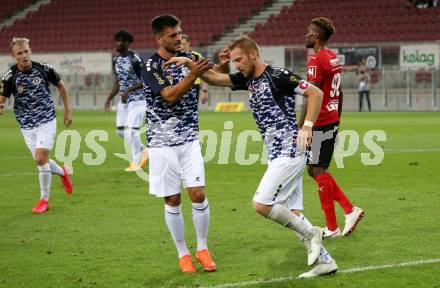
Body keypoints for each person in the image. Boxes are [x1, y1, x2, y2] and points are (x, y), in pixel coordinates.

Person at [165, 35, 338, 278]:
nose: (236, 65)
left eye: (239, 59)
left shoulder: (278, 75)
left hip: (289, 150)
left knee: (262, 204)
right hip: (277, 152)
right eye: (234, 61)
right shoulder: (248, 80)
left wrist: (308, 126)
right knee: (294, 213)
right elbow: (214, 78)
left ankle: (313, 234)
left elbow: (316, 93)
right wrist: (190, 61)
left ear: (253, 55)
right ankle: (326, 261)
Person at [140, 14, 216, 273]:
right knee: (172, 199)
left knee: (198, 193)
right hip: (161, 143)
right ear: (159, 38)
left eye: (180, 33)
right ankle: (183, 253)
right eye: (173, 35)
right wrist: (192, 74)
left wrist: (224, 66)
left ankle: (203, 248)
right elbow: (169, 95)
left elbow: (215, 76)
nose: (179, 38)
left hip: (189, 139)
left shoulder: (191, 57)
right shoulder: (151, 66)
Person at [301, 17, 364, 238]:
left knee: (317, 170)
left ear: (317, 36)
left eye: (309, 32)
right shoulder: (333, 58)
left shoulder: (316, 60)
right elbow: (340, 92)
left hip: (320, 121)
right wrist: (338, 119)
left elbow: (312, 96)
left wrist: (301, 126)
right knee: (315, 169)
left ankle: (342, 217)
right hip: (331, 118)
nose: (306, 35)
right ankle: (339, 220)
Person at [0, 37, 73, 213]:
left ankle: (44, 201)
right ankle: (63, 172)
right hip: (26, 125)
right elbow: (2, 98)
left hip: (46, 119)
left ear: (30, 51)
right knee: (43, 160)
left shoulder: (44, 69)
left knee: (41, 160)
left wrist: (67, 111)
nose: (24, 55)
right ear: (13, 56)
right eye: (19, 53)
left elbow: (61, 87)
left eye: (26, 51)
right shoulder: (10, 76)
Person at [104, 30, 148, 172]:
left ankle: (135, 162)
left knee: (132, 131)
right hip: (124, 100)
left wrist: (129, 89)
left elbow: (146, 80)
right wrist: (109, 99)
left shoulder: (135, 58)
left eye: (120, 41)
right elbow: (118, 82)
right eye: (116, 40)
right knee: (120, 131)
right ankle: (145, 151)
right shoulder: (116, 60)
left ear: (128, 43)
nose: (117, 43)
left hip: (138, 98)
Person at [180, 34, 209, 105]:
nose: (182, 46)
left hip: (194, 86)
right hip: (179, 86)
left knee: (192, 111)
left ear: (189, 43)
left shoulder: (197, 56)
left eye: (184, 44)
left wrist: (204, 91)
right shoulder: (176, 56)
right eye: (180, 44)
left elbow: (204, 74)